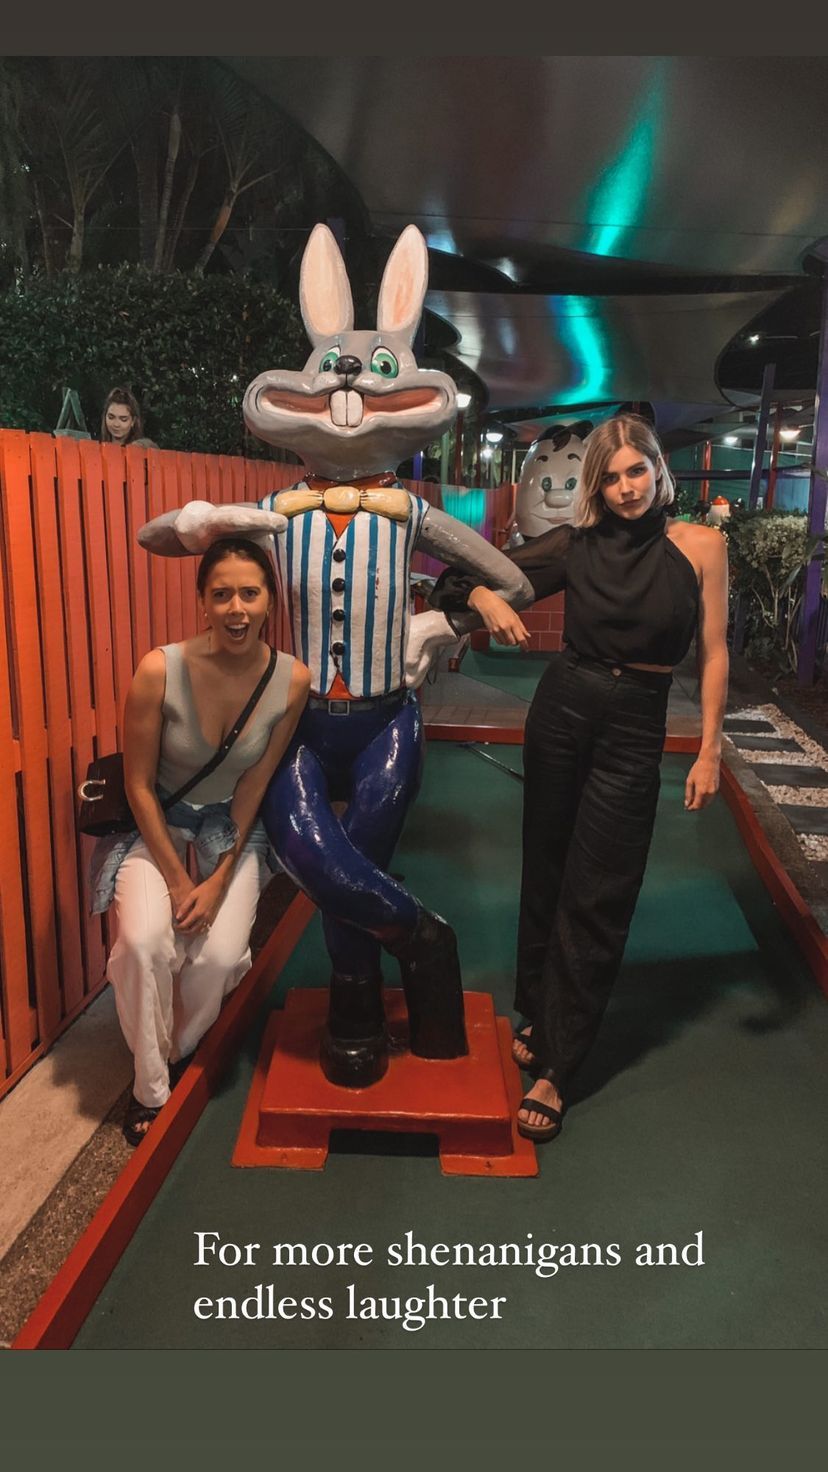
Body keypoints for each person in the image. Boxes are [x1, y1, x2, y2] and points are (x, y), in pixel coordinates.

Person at [430, 414, 729, 1142]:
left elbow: (714, 652)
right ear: (597, 483)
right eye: (613, 476)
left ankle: (559, 1066)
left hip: (636, 721)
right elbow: (463, 577)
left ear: (658, 470)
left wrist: (710, 749)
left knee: (601, 888)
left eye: (637, 471)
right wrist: (485, 599)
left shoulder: (701, 546)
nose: (627, 488)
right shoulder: (576, 543)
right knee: (549, 866)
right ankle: (539, 1009)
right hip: (563, 708)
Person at [91, 537, 310, 1144]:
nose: (236, 609)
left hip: (229, 826)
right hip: (157, 820)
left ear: (270, 602)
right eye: (221, 595)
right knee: (143, 944)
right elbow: (138, 784)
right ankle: (150, 1089)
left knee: (217, 957)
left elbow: (255, 782)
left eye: (250, 593)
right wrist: (179, 878)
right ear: (202, 603)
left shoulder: (292, 679)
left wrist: (217, 880)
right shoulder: (159, 669)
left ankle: (170, 1047)